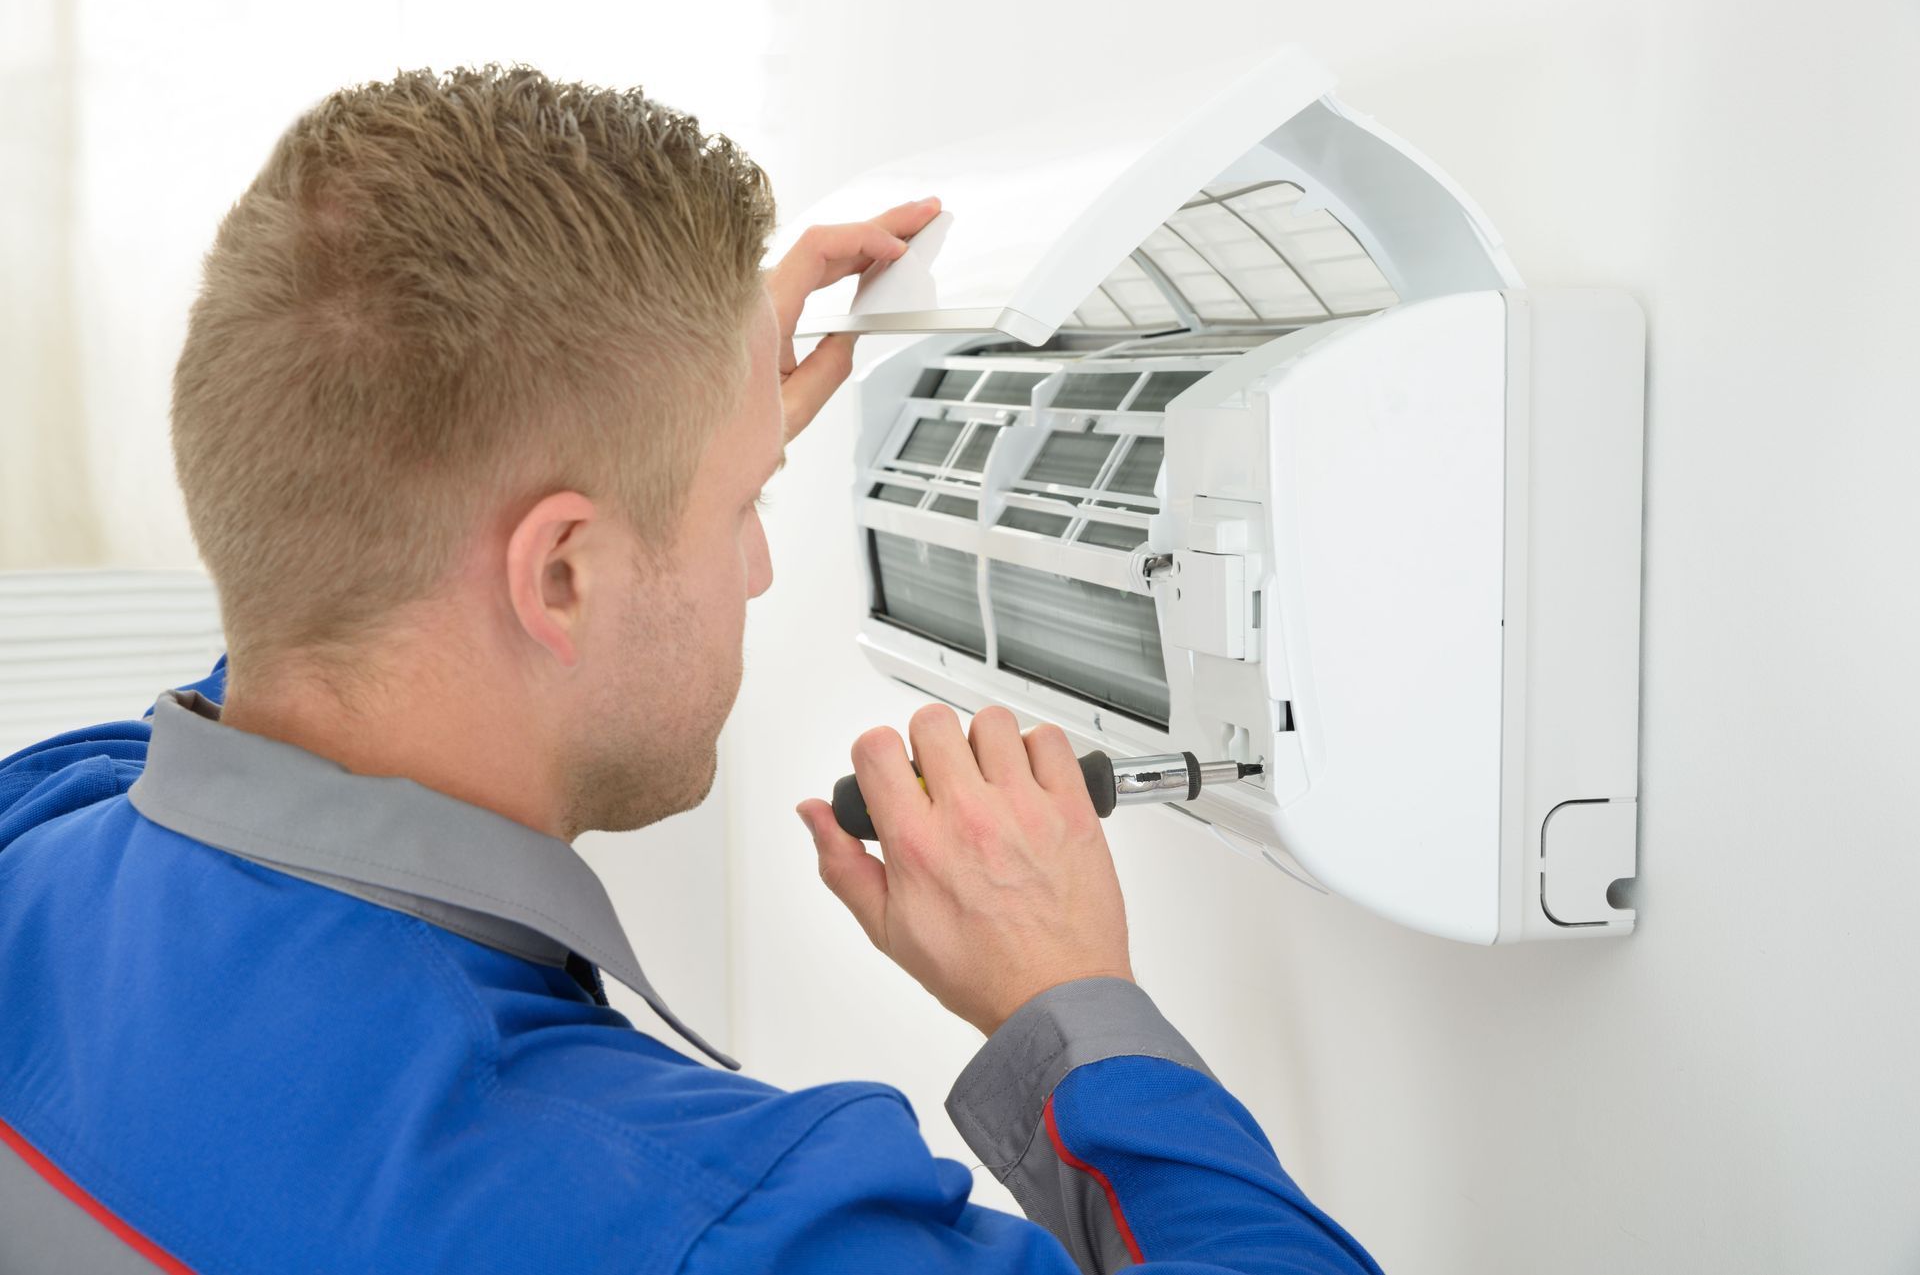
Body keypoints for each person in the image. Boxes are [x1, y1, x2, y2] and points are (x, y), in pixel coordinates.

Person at [0, 65, 1381, 1275]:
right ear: (560, 577)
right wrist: (1070, 998)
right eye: (744, 511)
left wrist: (665, 423)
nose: (759, 571)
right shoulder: (702, 1221)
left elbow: (338, 586)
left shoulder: (35, 832)